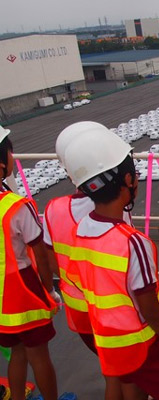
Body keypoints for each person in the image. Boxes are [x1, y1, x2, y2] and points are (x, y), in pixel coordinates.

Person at [62, 130, 159, 400]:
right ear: (128, 179)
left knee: (129, 388)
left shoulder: (81, 230)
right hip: (142, 342)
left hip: (108, 339)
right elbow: (147, 304)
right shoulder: (133, 242)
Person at [42, 122, 137, 400]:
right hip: (113, 313)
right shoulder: (113, 210)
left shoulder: (52, 209)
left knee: (111, 372)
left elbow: (52, 261)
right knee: (126, 376)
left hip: (79, 311)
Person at [0, 124, 59, 400]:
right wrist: (48, 288)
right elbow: (40, 252)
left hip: (1, 296)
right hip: (23, 290)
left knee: (17, 354)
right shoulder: (16, 206)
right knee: (39, 356)